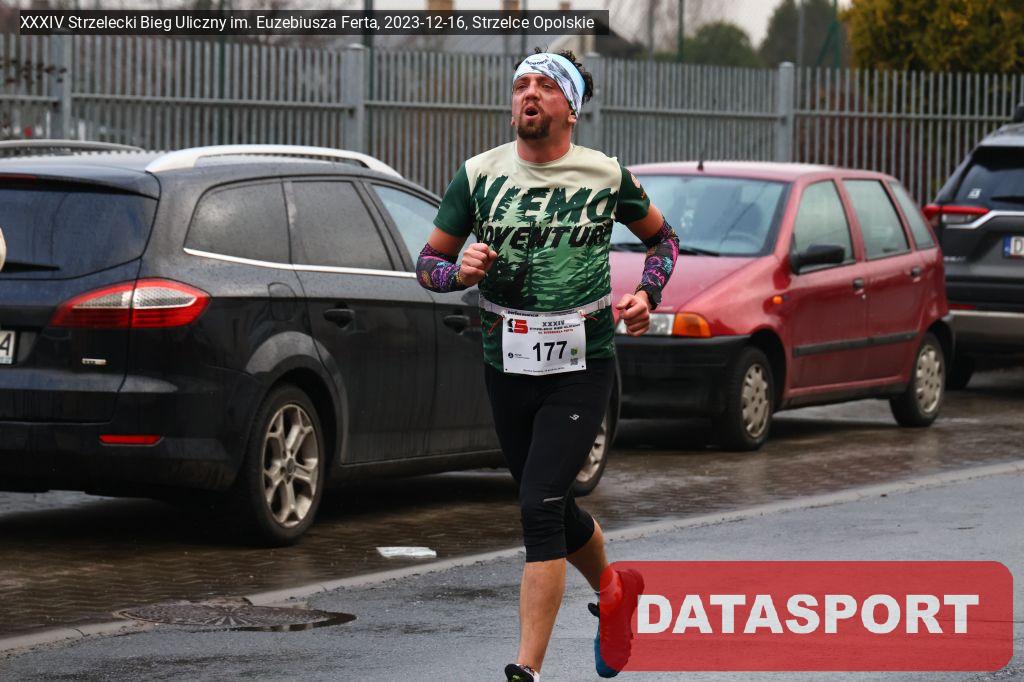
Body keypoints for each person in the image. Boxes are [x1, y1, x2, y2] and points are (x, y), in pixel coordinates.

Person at [415, 49, 679, 681]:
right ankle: (615, 593)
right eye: (521, 85)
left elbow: (663, 240)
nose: (528, 93)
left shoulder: (605, 175)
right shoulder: (478, 175)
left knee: (538, 507)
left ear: (570, 108)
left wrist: (647, 295)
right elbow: (426, 265)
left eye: (544, 85)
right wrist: (459, 273)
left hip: (582, 366)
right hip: (505, 365)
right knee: (552, 507)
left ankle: (526, 669)